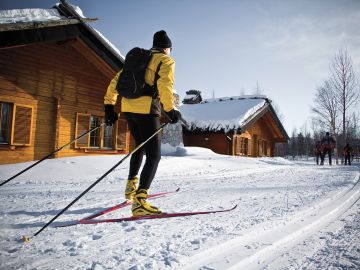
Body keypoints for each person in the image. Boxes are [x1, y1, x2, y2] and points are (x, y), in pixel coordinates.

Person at [104, 30, 181, 216]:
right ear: (166, 48)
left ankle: (131, 187)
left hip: (128, 109)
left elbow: (116, 81)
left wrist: (109, 106)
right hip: (147, 110)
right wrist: (170, 110)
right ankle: (140, 202)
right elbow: (165, 86)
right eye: (170, 49)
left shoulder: (138, 58)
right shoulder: (165, 61)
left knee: (139, 146)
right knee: (154, 155)